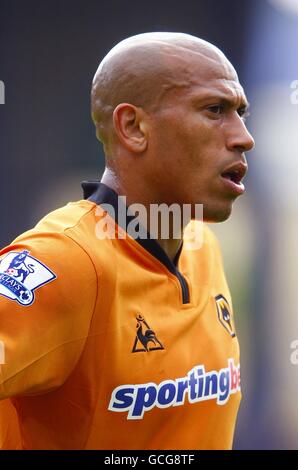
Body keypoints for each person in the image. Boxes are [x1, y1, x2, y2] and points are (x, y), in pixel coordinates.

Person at [0, 32, 254, 450]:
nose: (244, 137)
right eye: (215, 109)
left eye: (242, 113)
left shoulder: (202, 247)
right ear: (133, 127)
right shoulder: (65, 261)